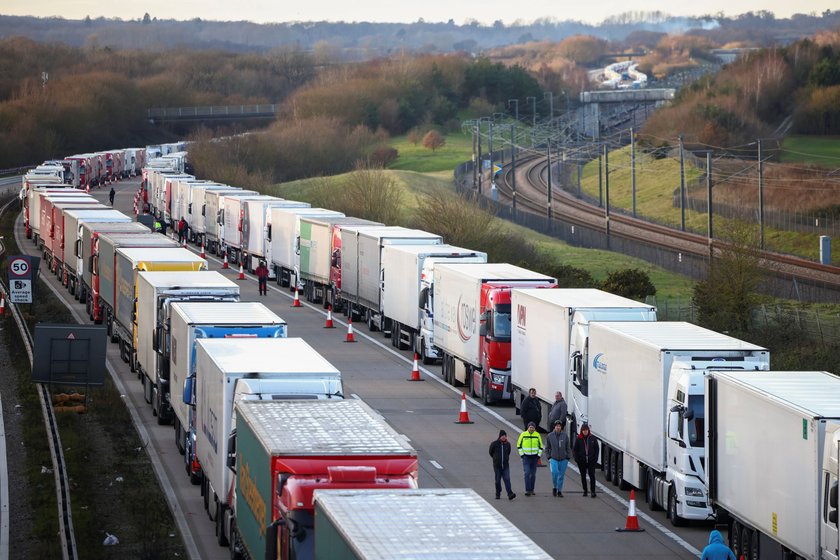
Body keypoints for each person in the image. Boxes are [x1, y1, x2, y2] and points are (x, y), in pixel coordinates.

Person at [544, 420, 572, 497]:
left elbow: (568, 447)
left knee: (561, 475)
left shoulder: (565, 436)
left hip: (563, 459)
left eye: (559, 426)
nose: (558, 427)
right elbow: (547, 448)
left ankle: (559, 490)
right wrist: (549, 457)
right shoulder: (550, 436)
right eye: (556, 426)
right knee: (555, 473)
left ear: (561, 427)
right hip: (554, 458)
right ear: (554, 427)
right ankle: (555, 487)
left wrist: (568, 457)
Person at [517, 422, 543, 496]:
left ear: (535, 428)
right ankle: (527, 490)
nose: (531, 429)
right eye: (530, 427)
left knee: (533, 474)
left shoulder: (537, 435)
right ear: (528, 428)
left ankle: (532, 489)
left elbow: (541, 446)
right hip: (526, 457)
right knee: (527, 473)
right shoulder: (523, 435)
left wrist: (538, 455)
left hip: (534, 458)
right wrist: (522, 455)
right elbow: (519, 445)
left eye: (533, 427)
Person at [488, 430, 516, 501]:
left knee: (507, 479)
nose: (504, 437)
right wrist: (495, 459)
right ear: (500, 436)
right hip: (497, 466)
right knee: (497, 480)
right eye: (502, 436)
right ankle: (498, 493)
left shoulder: (508, 444)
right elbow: (490, 452)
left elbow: (508, 452)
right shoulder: (494, 444)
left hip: (505, 466)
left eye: (505, 436)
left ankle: (510, 493)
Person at [573, 422, 599, 498]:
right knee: (583, 476)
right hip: (582, 461)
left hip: (591, 461)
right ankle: (585, 490)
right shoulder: (579, 439)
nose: (585, 431)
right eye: (584, 430)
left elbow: (596, 448)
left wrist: (595, 458)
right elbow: (575, 450)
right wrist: (577, 459)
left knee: (592, 476)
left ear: (588, 430)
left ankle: (593, 491)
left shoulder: (592, 438)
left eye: (586, 430)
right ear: (581, 431)